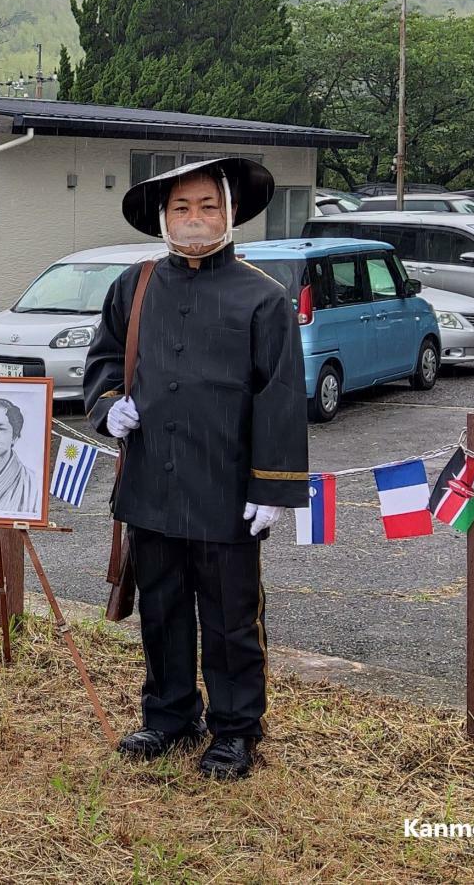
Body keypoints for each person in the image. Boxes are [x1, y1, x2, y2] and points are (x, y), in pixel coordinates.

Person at [80, 157, 307, 781]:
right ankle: (169, 715)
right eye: (182, 207)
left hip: (226, 492)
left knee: (232, 620)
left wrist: (272, 487)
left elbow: (281, 395)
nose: (195, 218)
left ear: (230, 213)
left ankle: (235, 730)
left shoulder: (263, 297)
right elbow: (101, 360)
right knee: (163, 609)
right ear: (163, 217)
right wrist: (109, 408)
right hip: (151, 482)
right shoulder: (135, 284)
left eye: (208, 205)